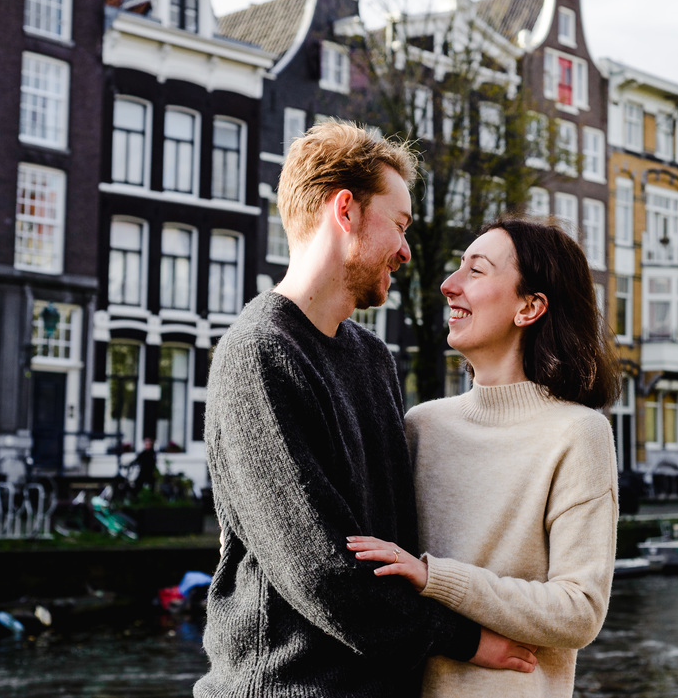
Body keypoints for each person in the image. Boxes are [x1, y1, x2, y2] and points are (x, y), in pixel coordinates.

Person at [196, 122, 536, 698]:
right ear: (346, 211)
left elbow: (401, 538)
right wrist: (472, 641)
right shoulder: (259, 354)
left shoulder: (373, 358)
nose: (406, 250)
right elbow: (323, 573)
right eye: (399, 226)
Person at [346, 218, 622, 697]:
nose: (448, 285)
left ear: (529, 307)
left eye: (476, 271)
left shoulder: (579, 434)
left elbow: (579, 611)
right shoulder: (420, 426)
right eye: (457, 268)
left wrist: (437, 578)